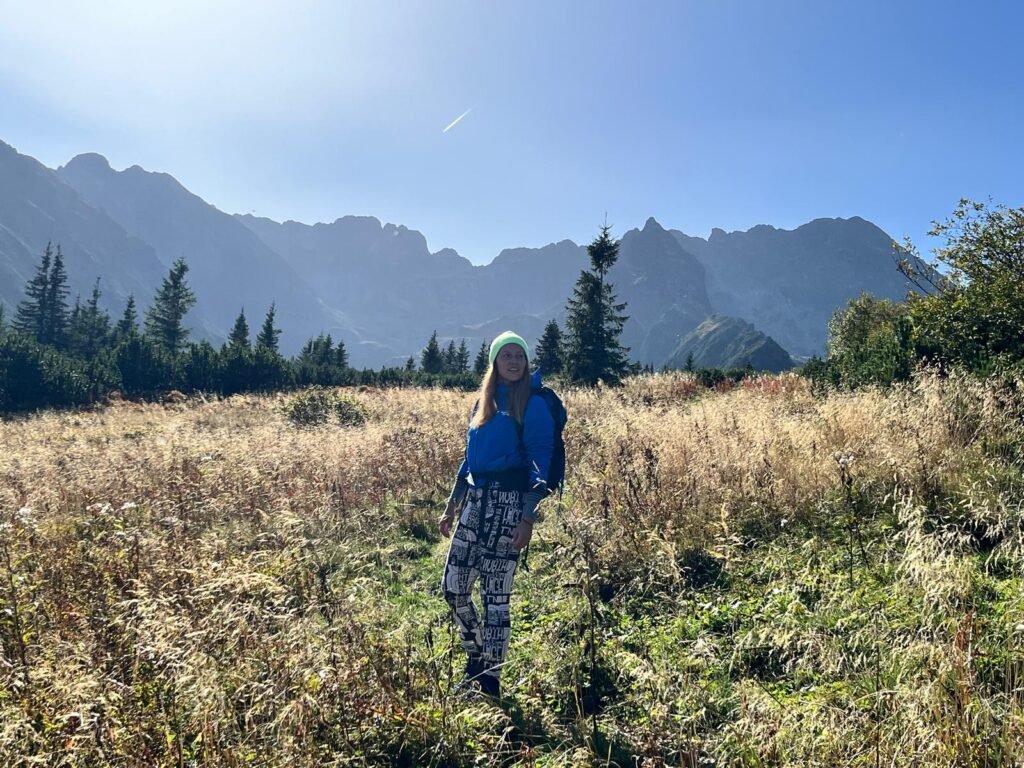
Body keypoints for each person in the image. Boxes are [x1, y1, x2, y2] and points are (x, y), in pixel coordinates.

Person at [439, 330, 555, 698]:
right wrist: (452, 503)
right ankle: (476, 659)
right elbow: (469, 457)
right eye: (506, 356)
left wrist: (527, 516)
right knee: (453, 589)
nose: (514, 362)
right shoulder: (483, 402)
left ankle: (489, 682)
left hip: (508, 508)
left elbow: (541, 460)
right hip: (474, 505)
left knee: (495, 598)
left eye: (519, 356)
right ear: (494, 363)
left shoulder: (532, 404)